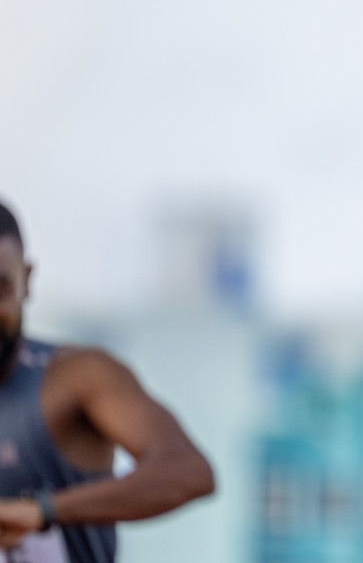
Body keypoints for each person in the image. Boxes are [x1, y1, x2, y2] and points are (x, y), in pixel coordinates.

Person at [0, 200, 215, 562]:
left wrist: (43, 511)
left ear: (28, 280)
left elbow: (188, 471)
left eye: (1, 288)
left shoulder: (73, 378)